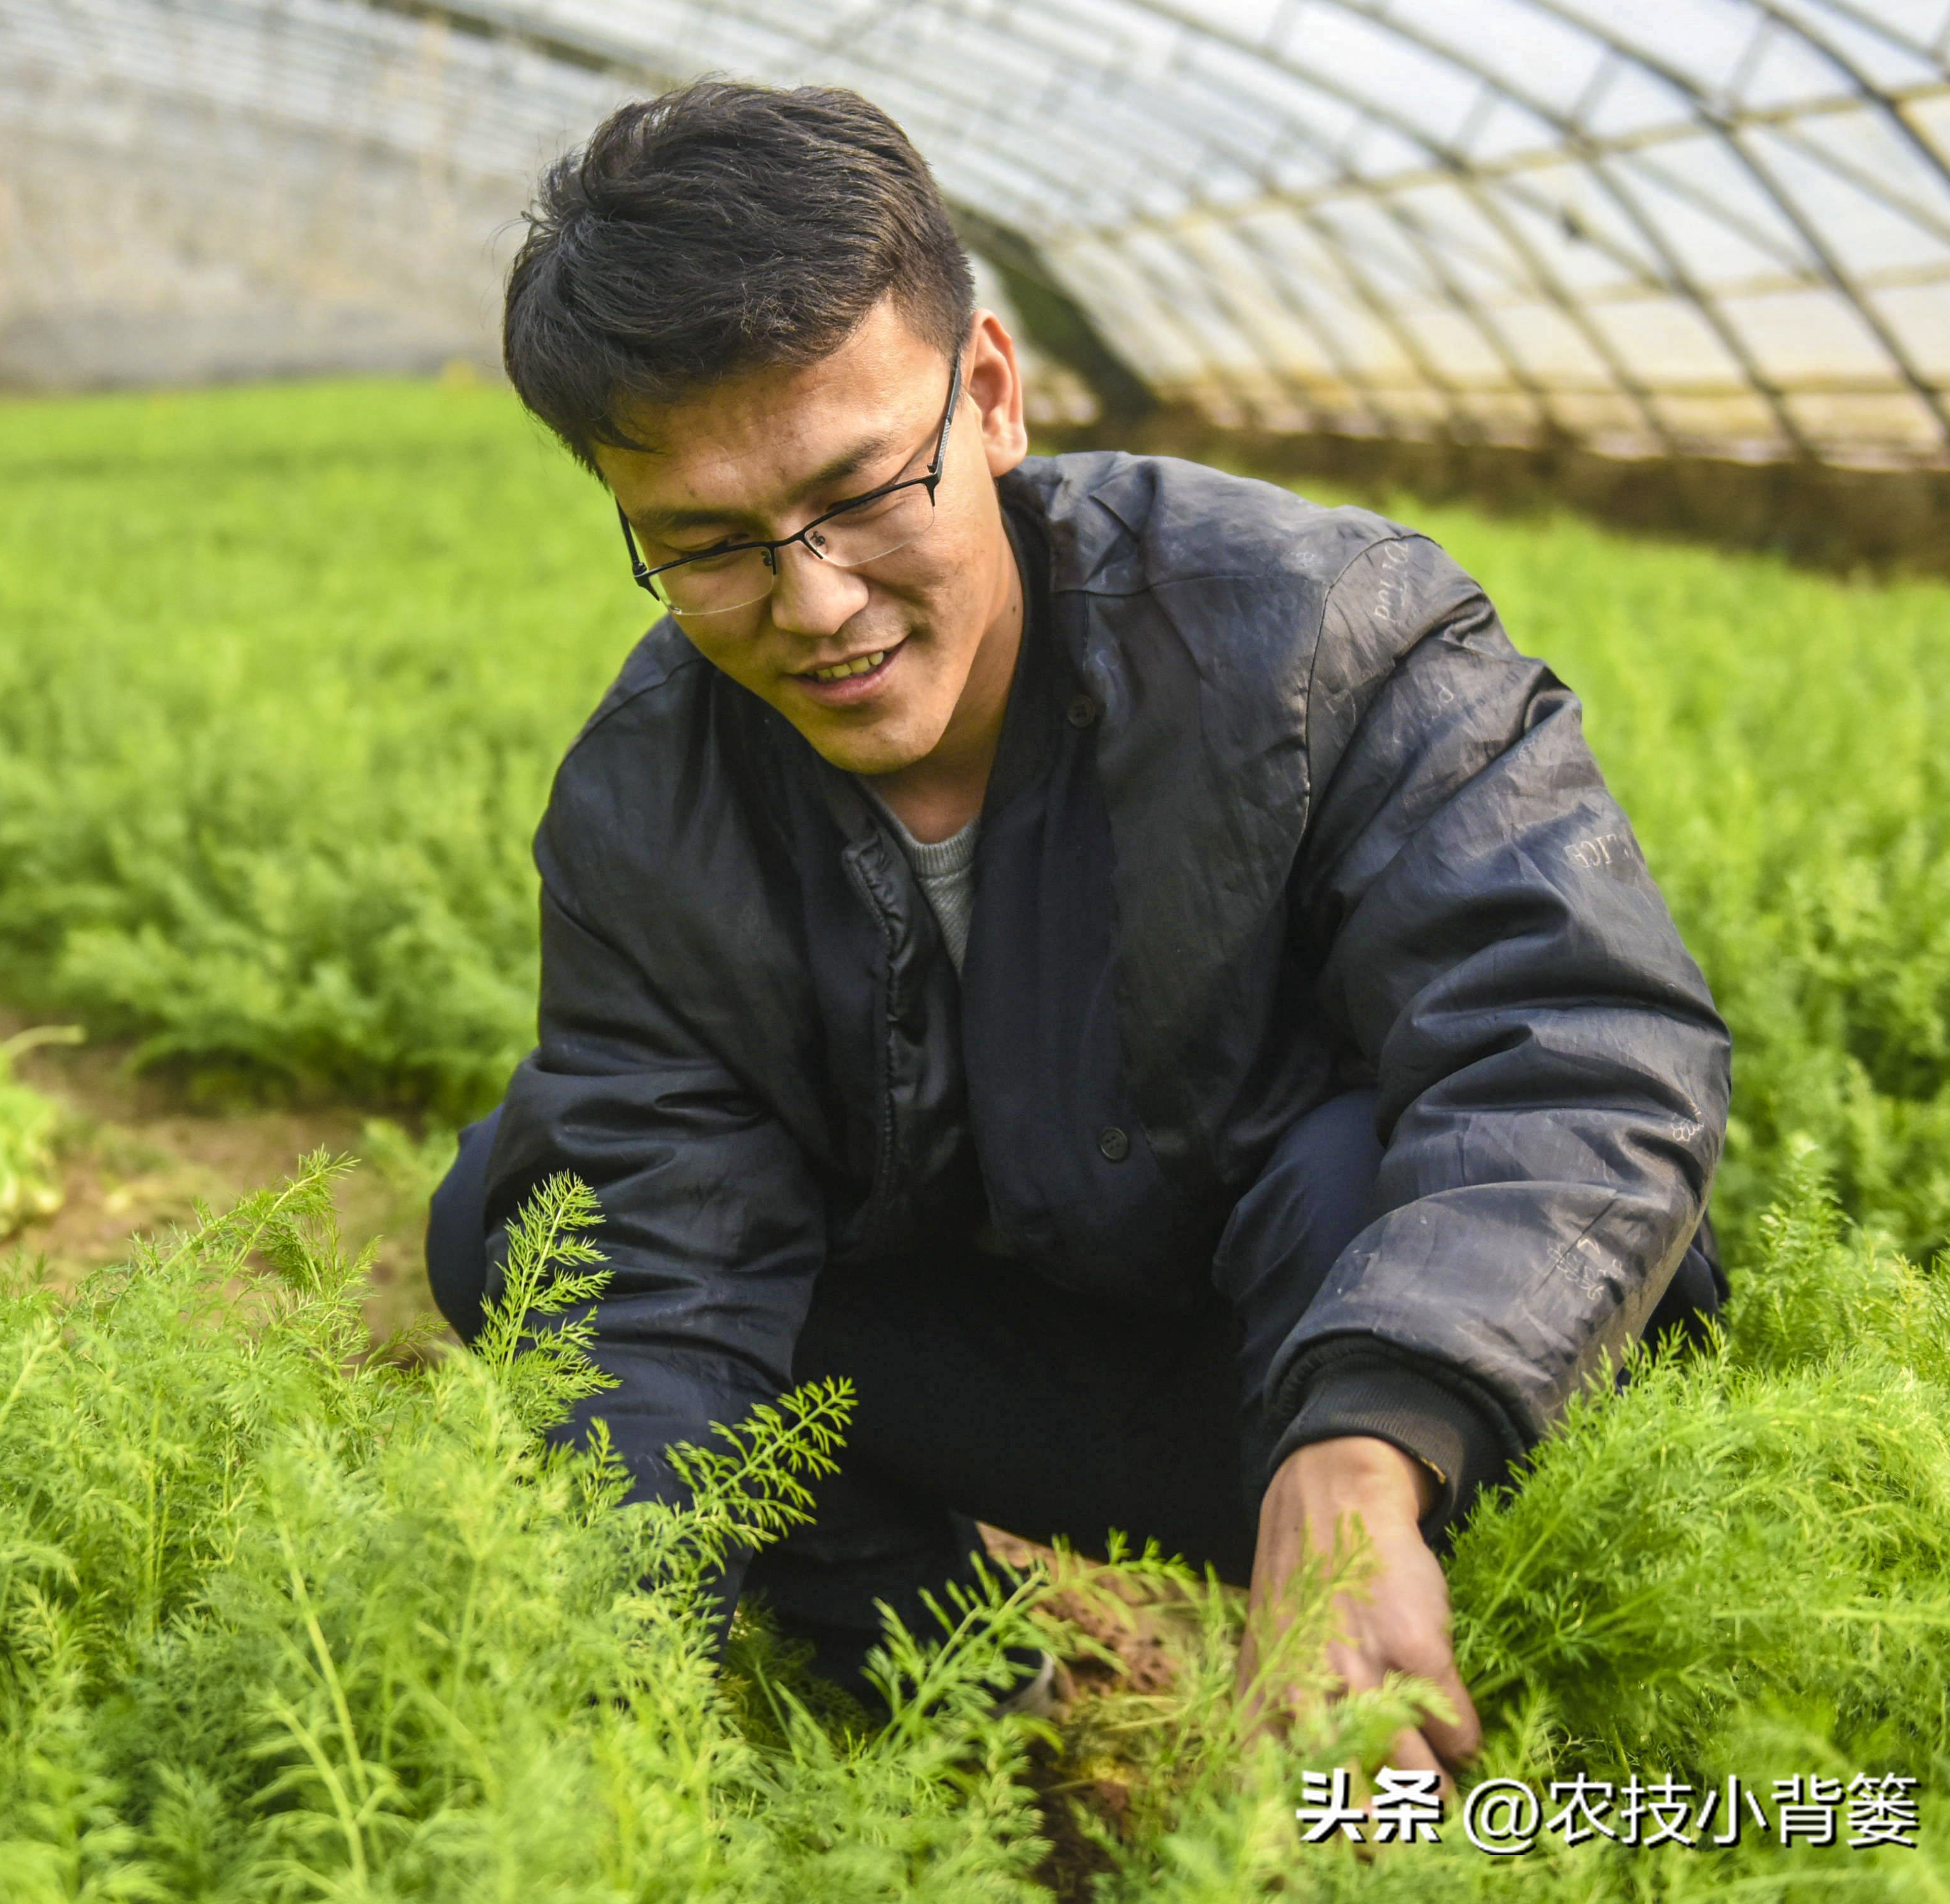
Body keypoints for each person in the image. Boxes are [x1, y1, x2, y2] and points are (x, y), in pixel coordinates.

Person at [426, 84, 1729, 1774]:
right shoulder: (647, 797)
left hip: (1389, 1397)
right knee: (525, 1224)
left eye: (861, 491)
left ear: (988, 392)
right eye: (708, 546)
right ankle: (958, 1697)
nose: (816, 604)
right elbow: (669, 1257)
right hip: (1070, 1380)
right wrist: (599, 1690)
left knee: (1361, 1164)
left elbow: (1579, 1043)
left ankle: (1457, 1748)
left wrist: (1374, 1434)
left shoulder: (1317, 636)